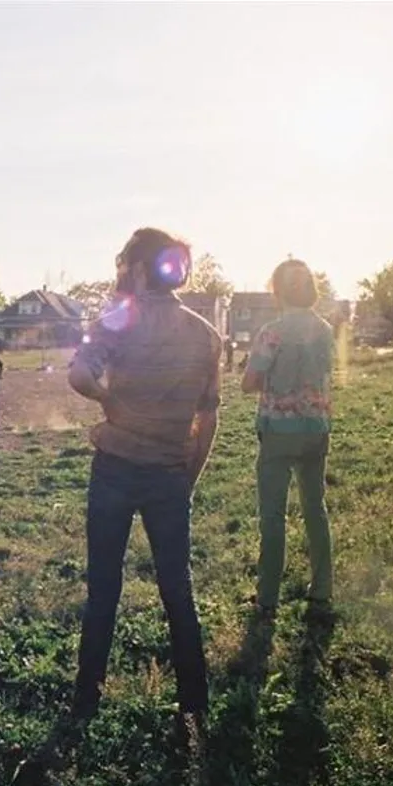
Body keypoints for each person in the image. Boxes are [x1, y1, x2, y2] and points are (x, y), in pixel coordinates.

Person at [67, 227, 222, 737]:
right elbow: (209, 418)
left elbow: (80, 376)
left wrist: (109, 401)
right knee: (178, 590)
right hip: (170, 475)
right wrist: (187, 478)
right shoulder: (206, 335)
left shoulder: (117, 321)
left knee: (103, 588)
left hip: (114, 468)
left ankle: (86, 700)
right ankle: (194, 708)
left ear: (137, 269)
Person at [241, 259, 335, 621]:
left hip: (279, 431)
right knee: (315, 508)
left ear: (277, 291)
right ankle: (322, 588)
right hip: (316, 429)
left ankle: (268, 596)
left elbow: (250, 382)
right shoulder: (325, 330)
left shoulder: (272, 332)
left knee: (273, 515)